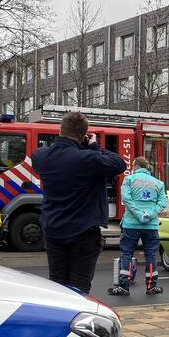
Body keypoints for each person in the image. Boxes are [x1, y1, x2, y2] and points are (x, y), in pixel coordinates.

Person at [32, 111, 128, 295]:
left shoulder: (42, 157)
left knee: (57, 285)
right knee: (79, 288)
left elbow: (40, 154)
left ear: (60, 130)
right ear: (83, 134)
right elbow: (119, 164)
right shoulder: (88, 159)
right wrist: (94, 146)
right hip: (83, 232)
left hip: (53, 230)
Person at [109, 157, 167, 297]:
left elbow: (126, 200)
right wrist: (149, 214)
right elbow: (162, 203)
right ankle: (151, 286)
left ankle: (124, 286)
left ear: (135, 166)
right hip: (151, 226)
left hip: (131, 224)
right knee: (151, 255)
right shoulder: (158, 183)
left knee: (127, 253)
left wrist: (138, 214)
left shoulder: (129, 180)